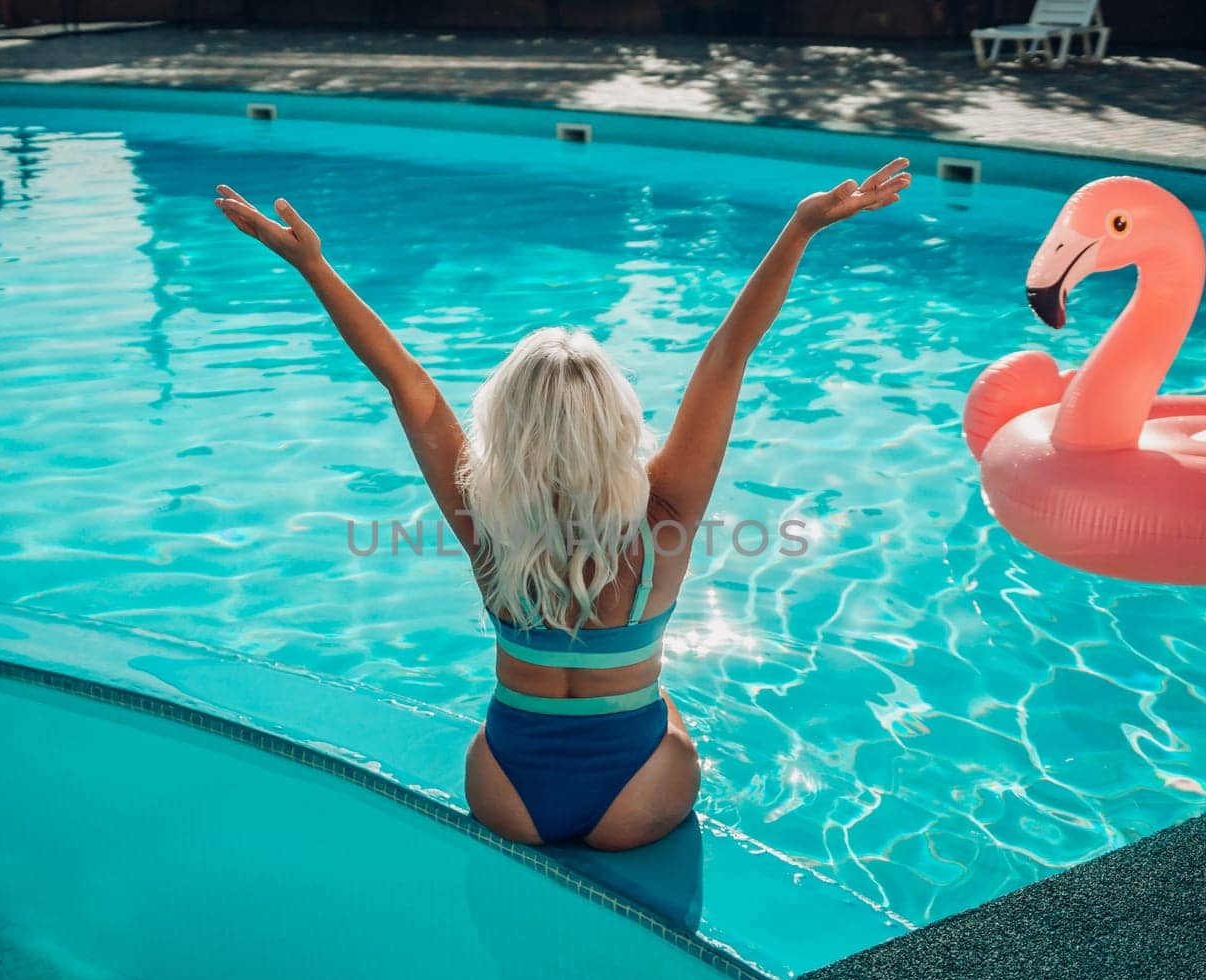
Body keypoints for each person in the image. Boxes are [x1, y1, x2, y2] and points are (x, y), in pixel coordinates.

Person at [214, 156, 911, 851]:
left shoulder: (484, 519)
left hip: (507, 789)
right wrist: (799, 228)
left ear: (509, 426)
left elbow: (407, 384)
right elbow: (729, 354)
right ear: (614, 423)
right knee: (666, 713)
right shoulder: (664, 513)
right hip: (640, 789)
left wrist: (312, 266)